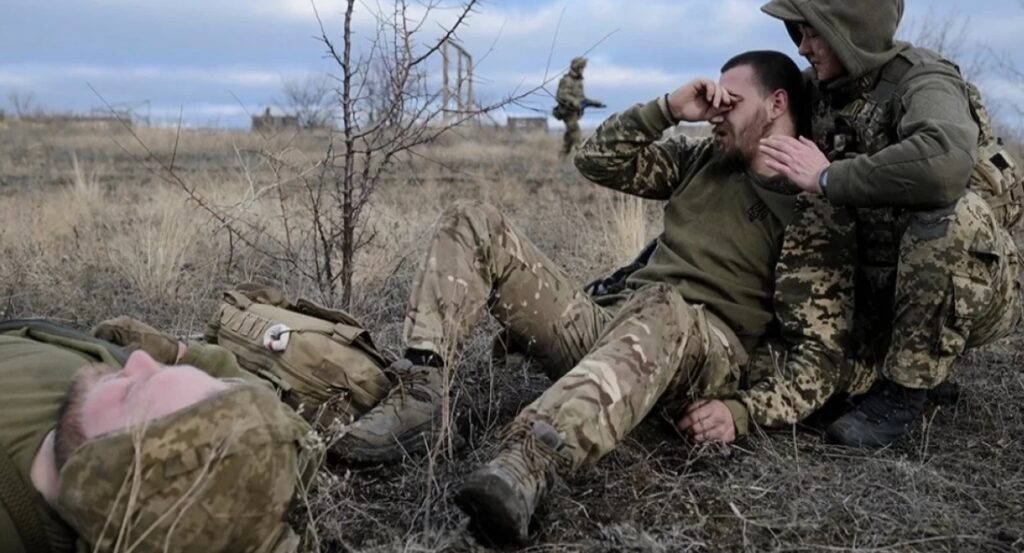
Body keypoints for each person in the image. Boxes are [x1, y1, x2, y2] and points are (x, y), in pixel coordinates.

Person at [335, 50, 864, 542]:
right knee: (474, 221)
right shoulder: (704, 160)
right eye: (715, 101)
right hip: (616, 328)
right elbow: (596, 160)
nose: (717, 113)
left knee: (663, 305)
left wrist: (741, 412)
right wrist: (667, 109)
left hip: (701, 352)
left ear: (777, 105)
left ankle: (529, 461)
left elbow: (820, 357)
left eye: (733, 102)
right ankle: (424, 394)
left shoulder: (812, 205)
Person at [758, 0, 1023, 447]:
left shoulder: (925, 79)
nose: (802, 47)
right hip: (872, 289)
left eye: (812, 31)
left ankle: (904, 391)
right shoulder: (816, 89)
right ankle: (872, 368)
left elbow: (943, 163)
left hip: (976, 289)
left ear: (851, 28)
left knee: (950, 214)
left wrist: (828, 177)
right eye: (796, 33)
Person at [0, 318, 322, 553]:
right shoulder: (90, 408)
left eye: (132, 392)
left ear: (103, 472)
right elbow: (294, 434)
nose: (139, 359)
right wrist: (185, 356)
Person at [555, 56, 605, 157]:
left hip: (575, 113)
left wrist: (594, 103)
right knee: (577, 135)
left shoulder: (578, 81)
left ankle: (561, 158)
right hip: (568, 112)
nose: (583, 70)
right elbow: (561, 95)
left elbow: (582, 99)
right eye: (581, 67)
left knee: (569, 138)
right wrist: (574, 101)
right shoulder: (567, 80)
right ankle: (584, 158)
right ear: (576, 68)